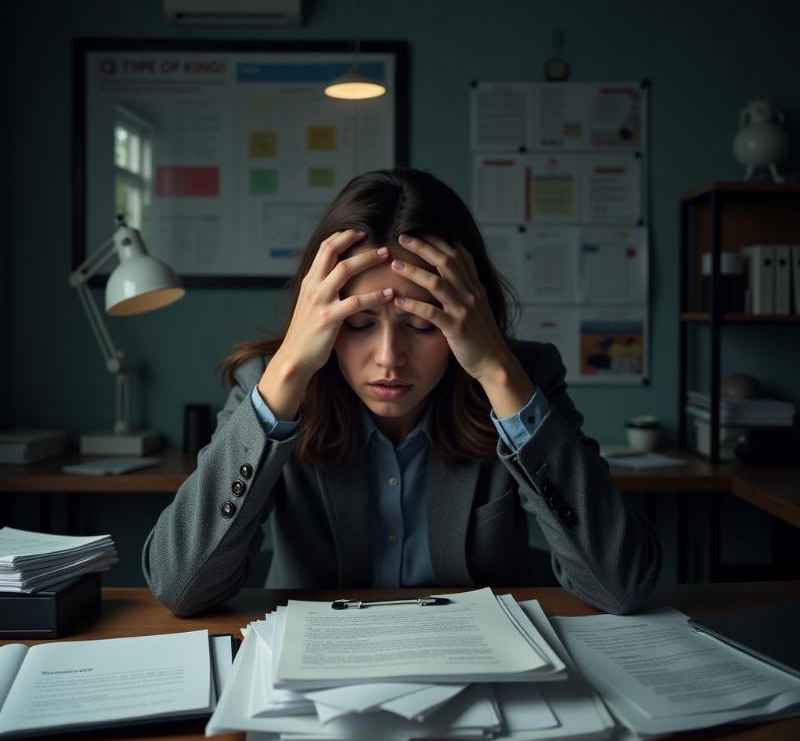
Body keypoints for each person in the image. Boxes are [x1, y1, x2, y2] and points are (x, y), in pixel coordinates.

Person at [142, 167, 660, 616]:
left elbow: (621, 586)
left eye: (422, 326)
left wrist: (500, 375)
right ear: (317, 315)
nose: (389, 357)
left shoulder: (521, 377)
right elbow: (178, 586)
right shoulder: (272, 381)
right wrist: (287, 375)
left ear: (468, 315)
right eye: (360, 323)